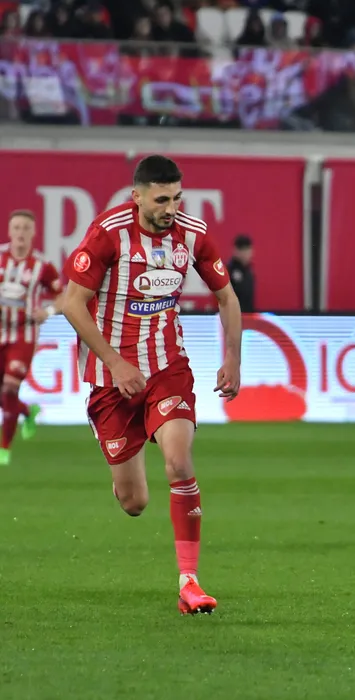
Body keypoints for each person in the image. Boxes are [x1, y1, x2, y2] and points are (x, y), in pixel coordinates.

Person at [59, 155, 243, 616]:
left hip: (167, 369)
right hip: (112, 379)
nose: (171, 208)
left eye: (177, 197)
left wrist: (232, 358)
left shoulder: (192, 234)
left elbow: (226, 297)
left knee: (179, 462)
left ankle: (189, 582)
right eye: (162, 199)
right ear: (136, 196)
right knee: (134, 502)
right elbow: (72, 303)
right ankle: (120, 454)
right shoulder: (107, 233)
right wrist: (115, 363)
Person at [0, 210, 63, 464]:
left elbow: (63, 296)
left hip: (23, 335)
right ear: (9, 231)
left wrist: (48, 312)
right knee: (4, 394)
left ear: (33, 232)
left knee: (9, 388)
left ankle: (4, 449)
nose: (21, 233)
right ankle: (28, 410)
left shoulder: (42, 266)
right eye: (16, 228)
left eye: (26, 228)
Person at [228, 234, 255, 313]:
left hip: (248, 315)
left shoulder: (249, 271)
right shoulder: (228, 270)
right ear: (235, 250)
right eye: (242, 249)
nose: (245, 253)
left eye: (247, 249)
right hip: (233, 315)